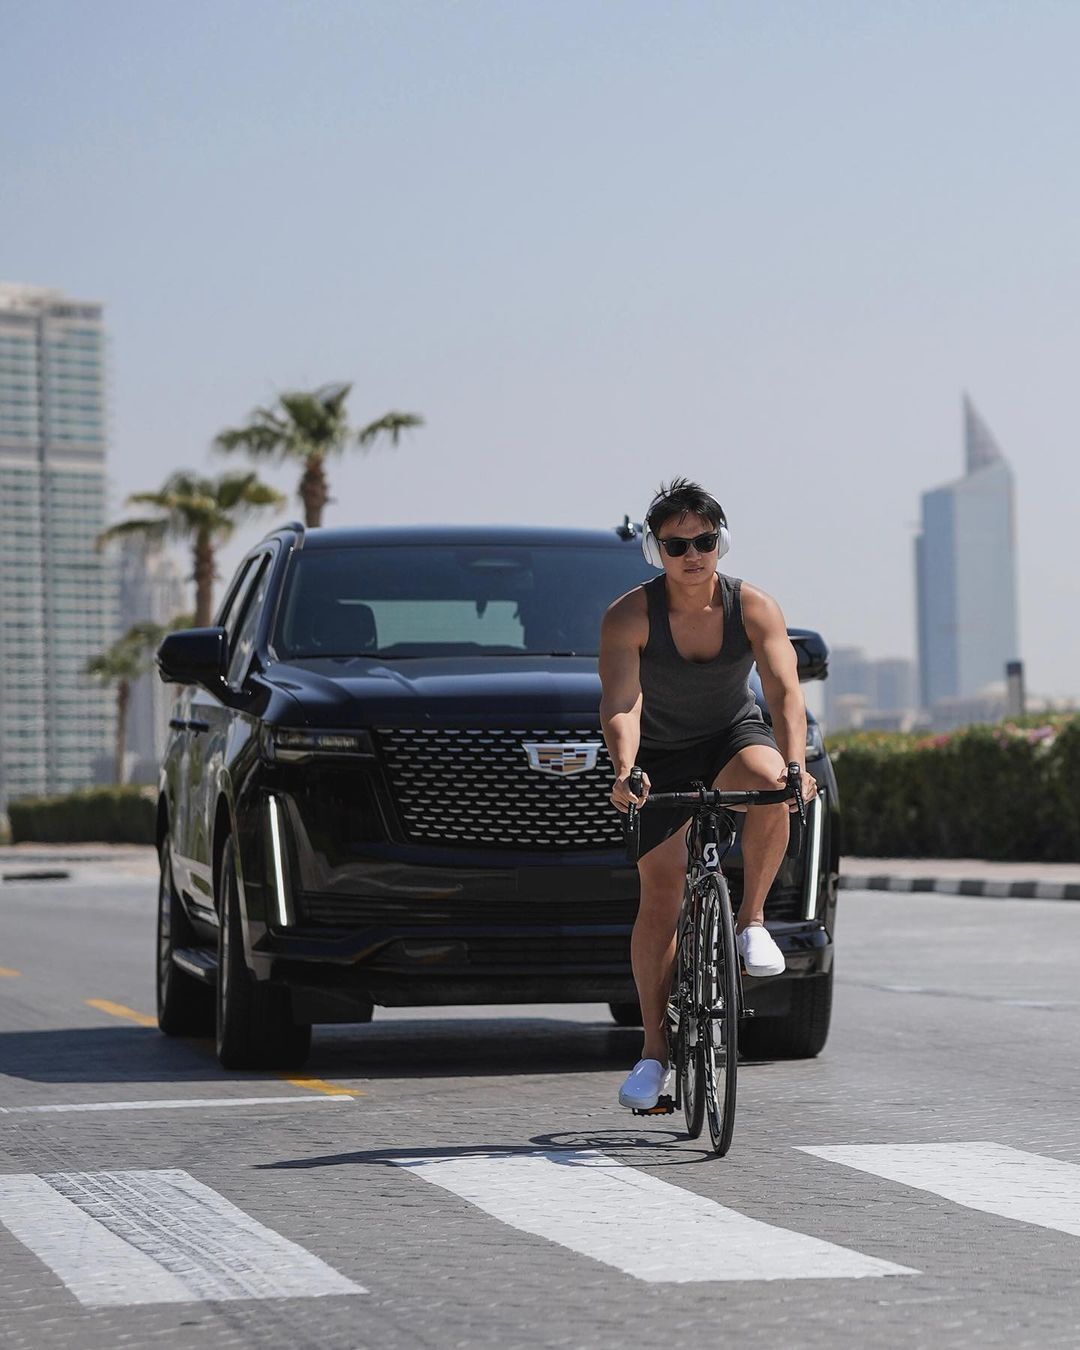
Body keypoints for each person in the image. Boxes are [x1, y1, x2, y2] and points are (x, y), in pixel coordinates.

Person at [599, 478, 818, 1110]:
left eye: (705, 540)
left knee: (775, 783)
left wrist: (797, 763)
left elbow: (782, 694)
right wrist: (626, 768)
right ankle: (653, 1054)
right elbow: (622, 701)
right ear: (655, 551)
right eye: (676, 545)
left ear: (721, 543)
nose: (692, 554)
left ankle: (750, 922)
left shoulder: (753, 607)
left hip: (730, 735)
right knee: (660, 897)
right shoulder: (630, 615)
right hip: (658, 752)